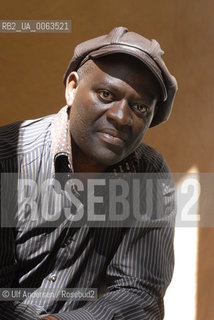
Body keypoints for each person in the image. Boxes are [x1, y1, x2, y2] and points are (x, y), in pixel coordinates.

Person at [0, 26, 178, 319]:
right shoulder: (9, 161)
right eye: (106, 94)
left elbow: (139, 294)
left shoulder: (150, 176)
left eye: (140, 108)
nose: (121, 117)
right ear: (72, 88)